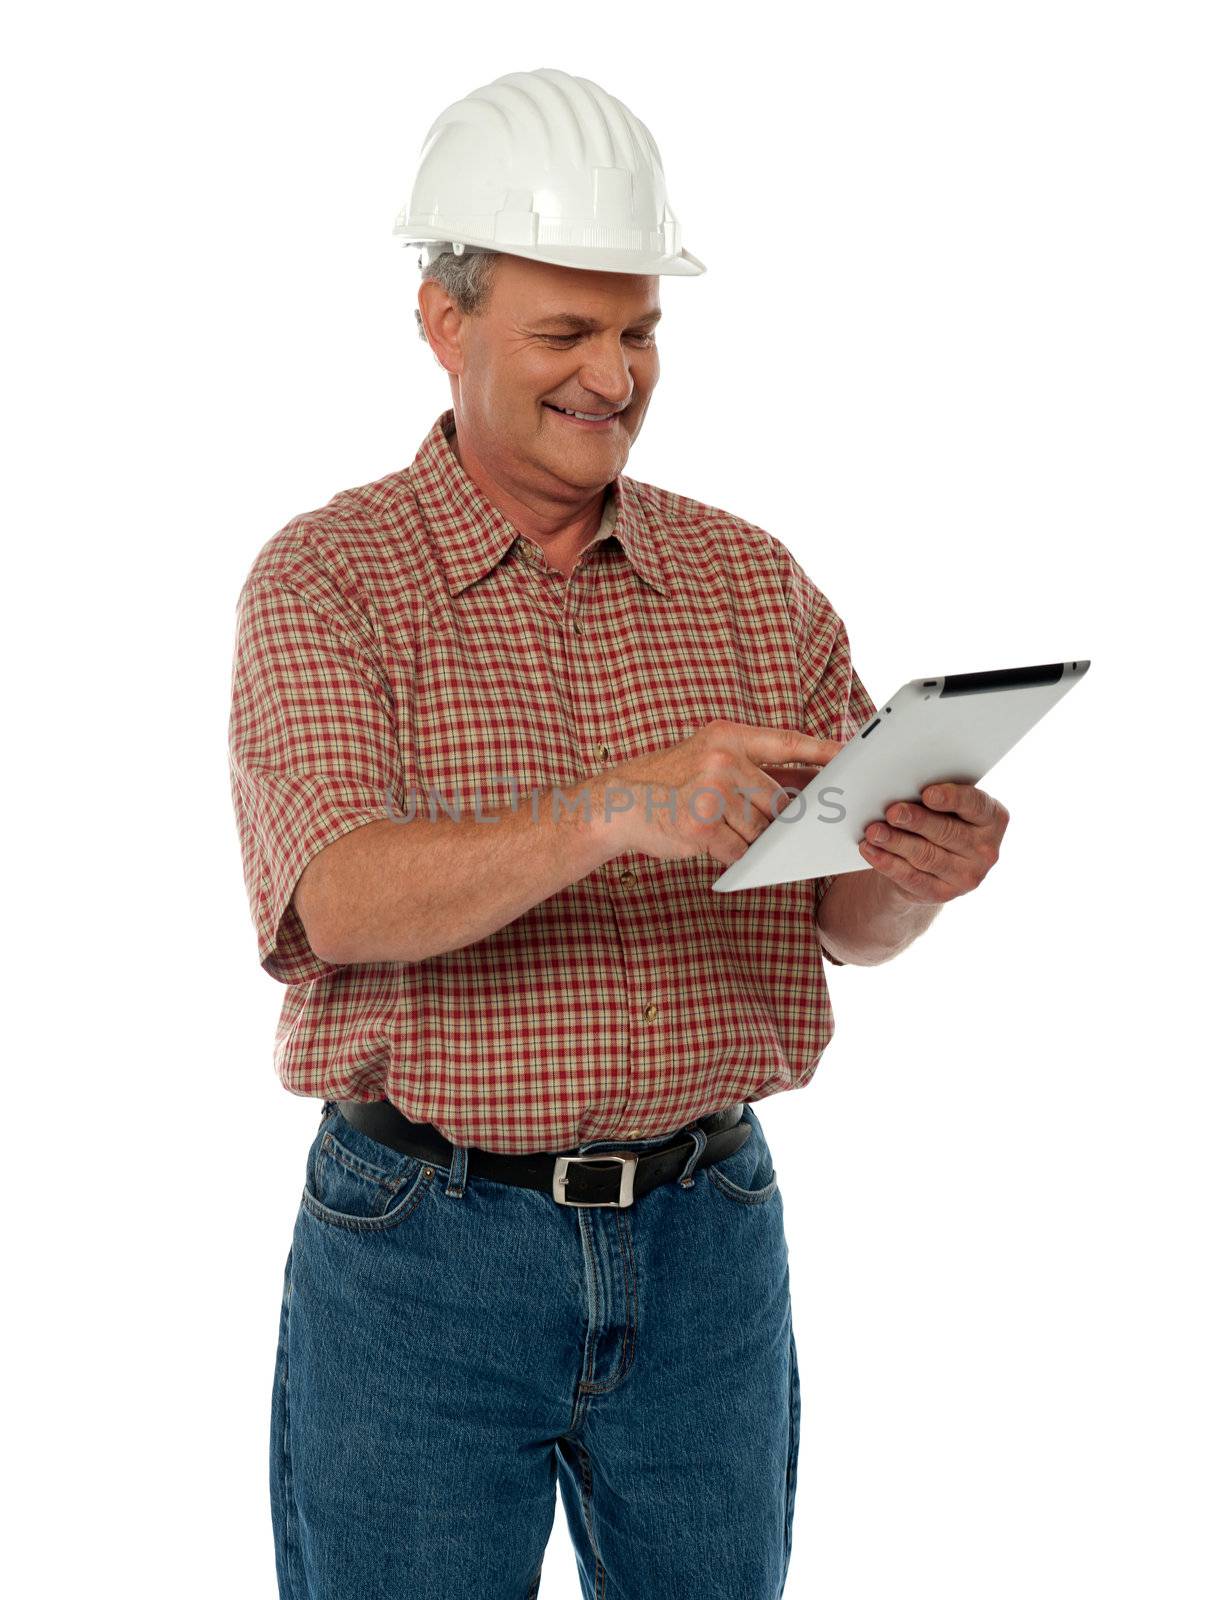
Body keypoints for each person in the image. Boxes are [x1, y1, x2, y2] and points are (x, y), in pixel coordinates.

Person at [228, 66, 1011, 1600]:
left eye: (641, 330)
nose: (615, 376)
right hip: (421, 1254)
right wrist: (611, 809)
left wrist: (914, 874)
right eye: (566, 333)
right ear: (444, 321)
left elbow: (837, 914)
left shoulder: (749, 581)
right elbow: (335, 898)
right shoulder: (327, 583)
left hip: (712, 1237)